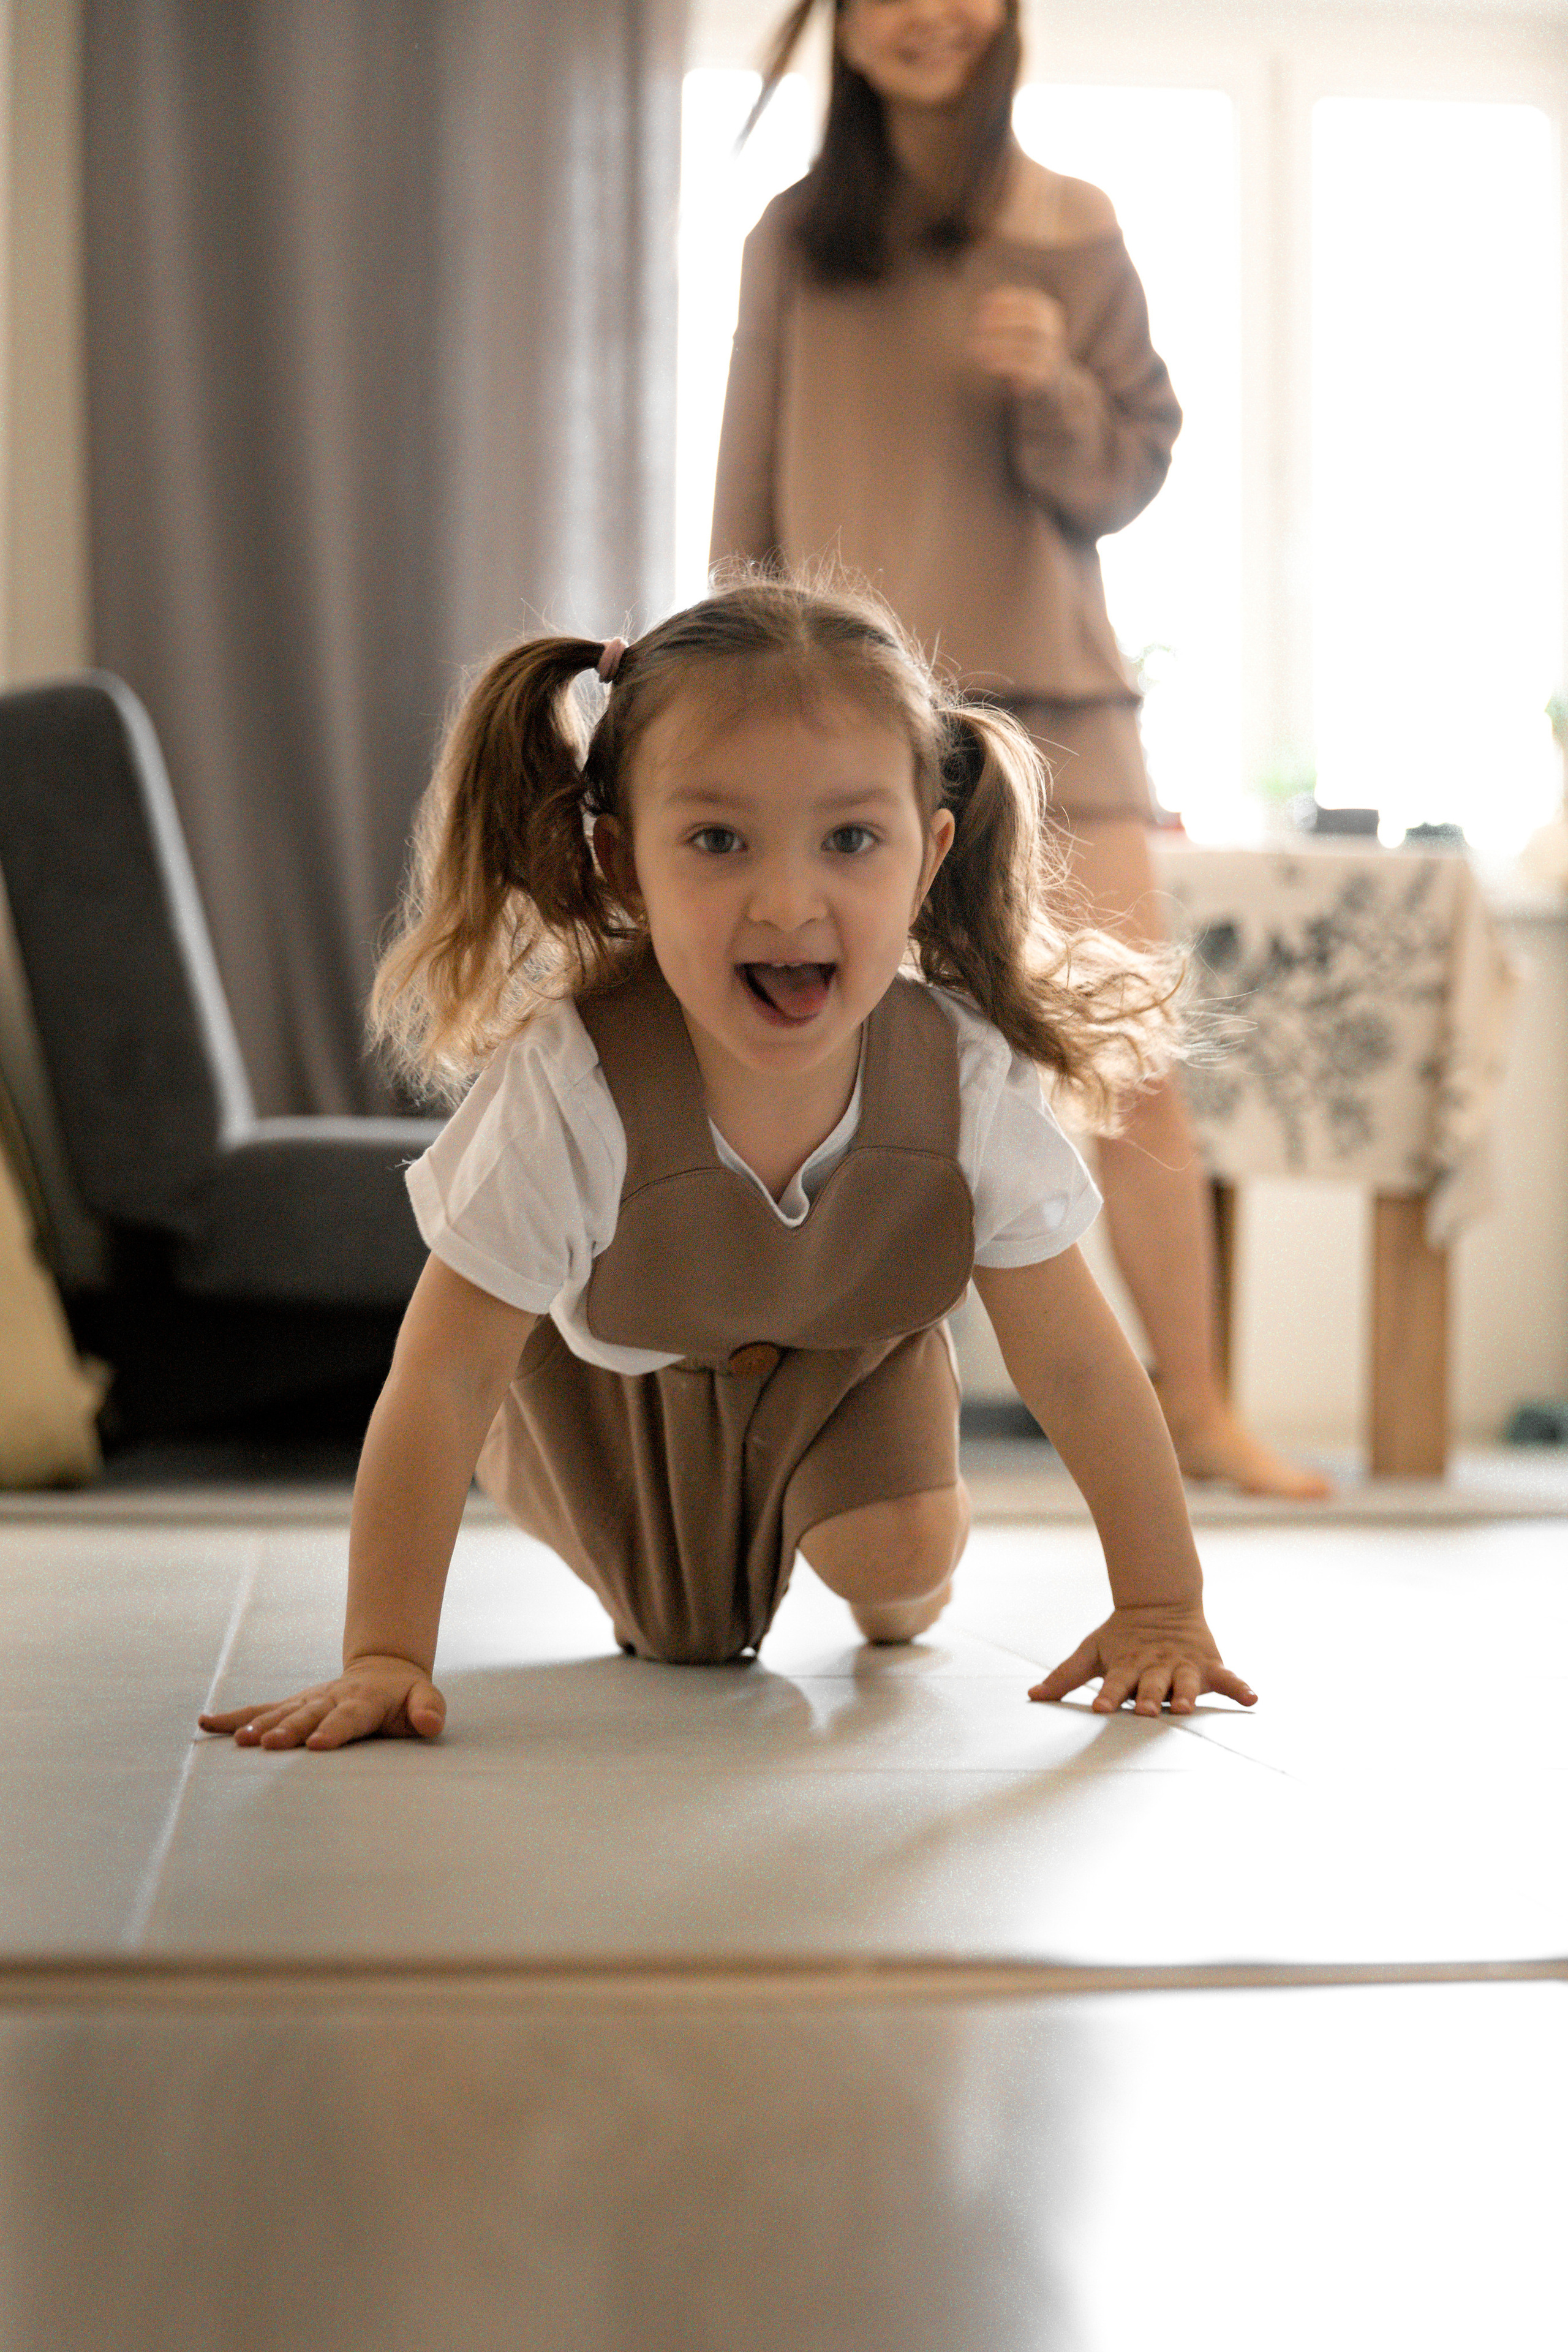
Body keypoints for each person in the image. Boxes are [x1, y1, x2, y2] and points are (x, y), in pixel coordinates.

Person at [198, 576, 1256, 1751]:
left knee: (895, 1561)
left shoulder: (960, 1077)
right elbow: (442, 1378)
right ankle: (545, 1478)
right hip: (623, 1395)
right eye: (717, 840)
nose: (788, 899)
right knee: (692, 1647)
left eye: (851, 839)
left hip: (854, 1363)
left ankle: (892, 1534)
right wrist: (386, 1655)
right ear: (621, 863)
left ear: (929, 855)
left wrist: (1163, 1607)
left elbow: (1078, 1355)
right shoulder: (574, 1082)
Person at [712, 0, 1330, 1498]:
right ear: (842, 27)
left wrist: (1053, 381)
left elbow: (1124, 476)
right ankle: (789, 1433)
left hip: (1056, 704)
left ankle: (1193, 1407)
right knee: (811, 1065)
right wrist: (734, 723)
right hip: (852, 727)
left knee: (1129, 1065)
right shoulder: (795, 239)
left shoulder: (1074, 224)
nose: (929, 13)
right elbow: (744, 514)